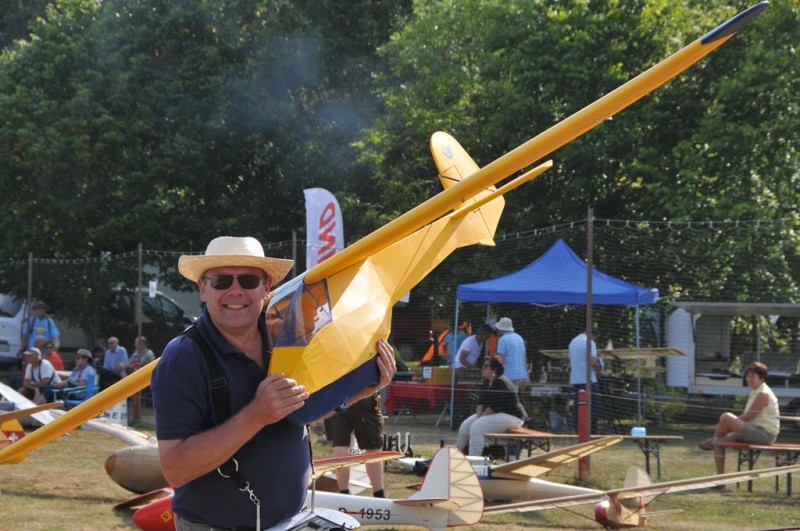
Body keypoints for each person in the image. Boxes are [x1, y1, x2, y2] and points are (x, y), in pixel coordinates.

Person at [151, 236, 397, 530]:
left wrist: (364, 389)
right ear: (203, 289)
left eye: (248, 280)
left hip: (291, 520)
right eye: (221, 282)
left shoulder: (286, 334)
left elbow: (302, 411)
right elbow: (176, 469)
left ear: (266, 287)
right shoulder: (182, 359)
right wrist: (257, 414)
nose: (235, 291)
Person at [699, 361, 779, 475]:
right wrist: (727, 427)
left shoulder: (763, 394)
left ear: (761, 378)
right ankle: (720, 478)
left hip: (764, 434)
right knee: (718, 443)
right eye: (748, 376)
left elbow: (748, 417)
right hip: (752, 430)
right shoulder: (755, 391)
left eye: (753, 376)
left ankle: (712, 439)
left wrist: (727, 425)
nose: (749, 379)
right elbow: (746, 419)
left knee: (726, 417)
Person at [455, 356, 527, 456]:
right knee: (464, 427)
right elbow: (480, 403)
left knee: (477, 427)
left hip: (513, 417)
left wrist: (479, 420)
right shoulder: (486, 382)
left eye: (486, 366)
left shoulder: (501, 382)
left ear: (494, 370)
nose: (483, 368)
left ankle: (474, 460)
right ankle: (456, 456)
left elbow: (492, 408)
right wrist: (478, 417)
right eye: (483, 366)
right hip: (495, 414)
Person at [326, 394, 387, 498]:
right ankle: (379, 495)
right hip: (362, 395)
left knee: (340, 446)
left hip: (336, 396)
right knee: (373, 448)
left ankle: (344, 493)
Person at [568, 328, 603, 433]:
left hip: (576, 380)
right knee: (594, 408)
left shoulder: (573, 342)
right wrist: (600, 371)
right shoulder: (590, 342)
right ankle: (591, 432)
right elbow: (593, 361)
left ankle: (578, 431)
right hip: (588, 380)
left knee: (578, 407)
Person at [494, 317, 529, 392]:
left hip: (508, 374)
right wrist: (526, 374)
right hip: (520, 374)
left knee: (506, 395)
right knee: (515, 395)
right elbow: (524, 357)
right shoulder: (519, 338)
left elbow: (500, 359)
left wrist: (496, 374)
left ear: (502, 329)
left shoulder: (502, 340)